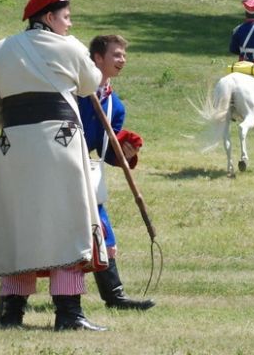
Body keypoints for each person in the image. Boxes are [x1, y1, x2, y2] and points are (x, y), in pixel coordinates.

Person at [0, 0, 109, 332]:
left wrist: (17, 126)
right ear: (49, 17)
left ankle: (10, 313)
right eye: (66, 17)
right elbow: (91, 82)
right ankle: (68, 314)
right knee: (66, 224)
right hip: (60, 145)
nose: (70, 24)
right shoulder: (69, 46)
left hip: (13, 147)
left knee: (19, 226)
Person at [77, 35, 155, 312]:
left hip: (87, 174)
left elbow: (105, 151)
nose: (122, 60)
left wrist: (125, 153)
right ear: (98, 58)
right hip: (59, 170)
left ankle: (115, 297)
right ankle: (19, 299)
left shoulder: (115, 105)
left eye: (123, 55)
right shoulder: (74, 92)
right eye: (116, 55)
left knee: (102, 232)